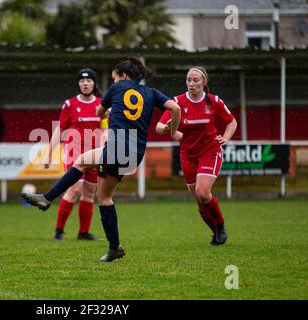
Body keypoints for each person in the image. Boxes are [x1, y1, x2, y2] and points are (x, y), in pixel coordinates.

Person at [22, 57, 181, 262]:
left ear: (123, 76)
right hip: (135, 152)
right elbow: (175, 108)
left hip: (117, 147)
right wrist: (174, 131)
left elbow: (99, 112)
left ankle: (49, 199)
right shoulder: (151, 92)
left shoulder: (116, 89)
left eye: (115, 79)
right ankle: (111, 246)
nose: (114, 83)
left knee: (98, 189)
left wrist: (110, 106)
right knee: (91, 175)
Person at [156, 66, 237, 246]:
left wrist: (225, 137)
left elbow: (232, 122)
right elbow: (159, 127)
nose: (191, 84)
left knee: (202, 192)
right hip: (188, 155)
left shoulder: (213, 101)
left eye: (195, 80)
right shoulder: (177, 103)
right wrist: (166, 128)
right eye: (188, 80)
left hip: (210, 152)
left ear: (204, 82)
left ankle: (221, 225)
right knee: (199, 199)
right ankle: (216, 233)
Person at [44, 68, 108, 241]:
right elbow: (60, 129)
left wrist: (104, 148)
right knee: (74, 189)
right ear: (78, 84)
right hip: (74, 151)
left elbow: (105, 129)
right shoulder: (70, 104)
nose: (85, 84)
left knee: (89, 192)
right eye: (81, 81)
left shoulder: (102, 105)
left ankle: (83, 232)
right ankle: (58, 231)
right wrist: (49, 153)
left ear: (94, 83)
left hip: (94, 154)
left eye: (88, 81)